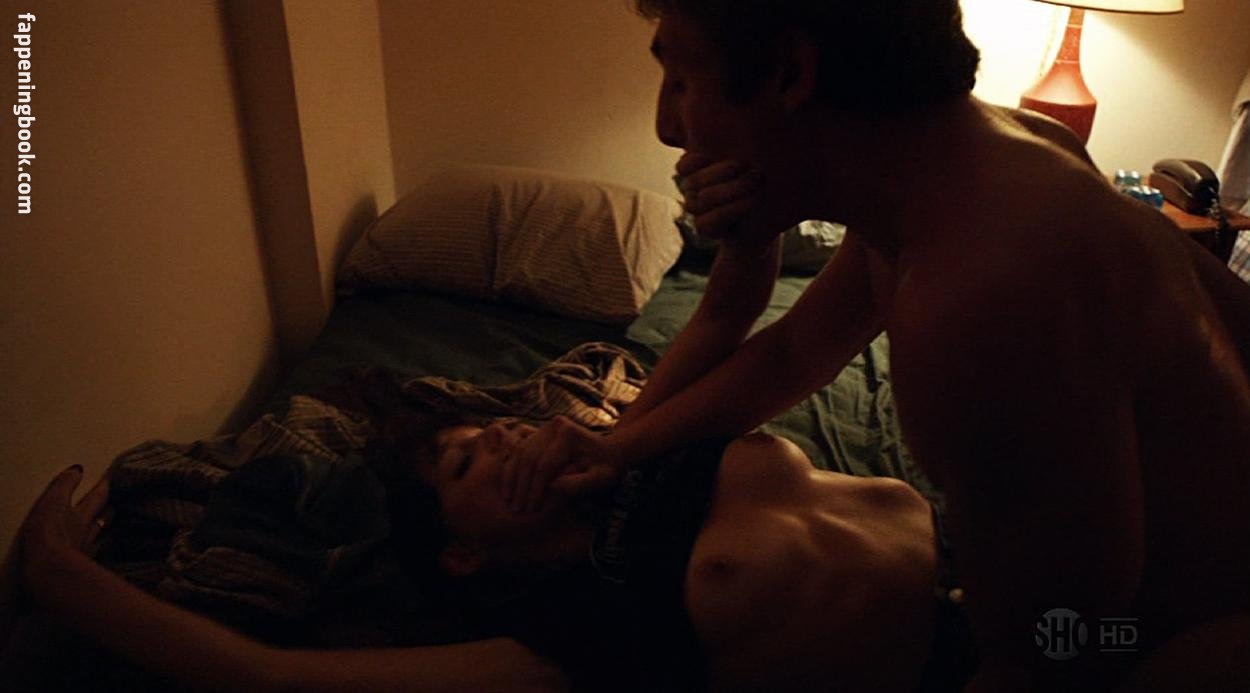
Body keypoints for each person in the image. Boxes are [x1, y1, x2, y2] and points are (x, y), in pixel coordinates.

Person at [501, 2, 1250, 691]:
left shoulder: (987, 289)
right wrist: (615, 450)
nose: (670, 127)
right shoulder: (969, 160)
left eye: (681, 80)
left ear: (791, 74)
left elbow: (1053, 652)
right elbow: (798, 351)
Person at [5, 403, 962, 692]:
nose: (505, 439)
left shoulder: (636, 451)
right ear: (462, 553)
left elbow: (741, 325)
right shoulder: (567, 628)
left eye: (500, 428)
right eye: (467, 464)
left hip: (1007, 564)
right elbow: (267, 672)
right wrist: (58, 572)